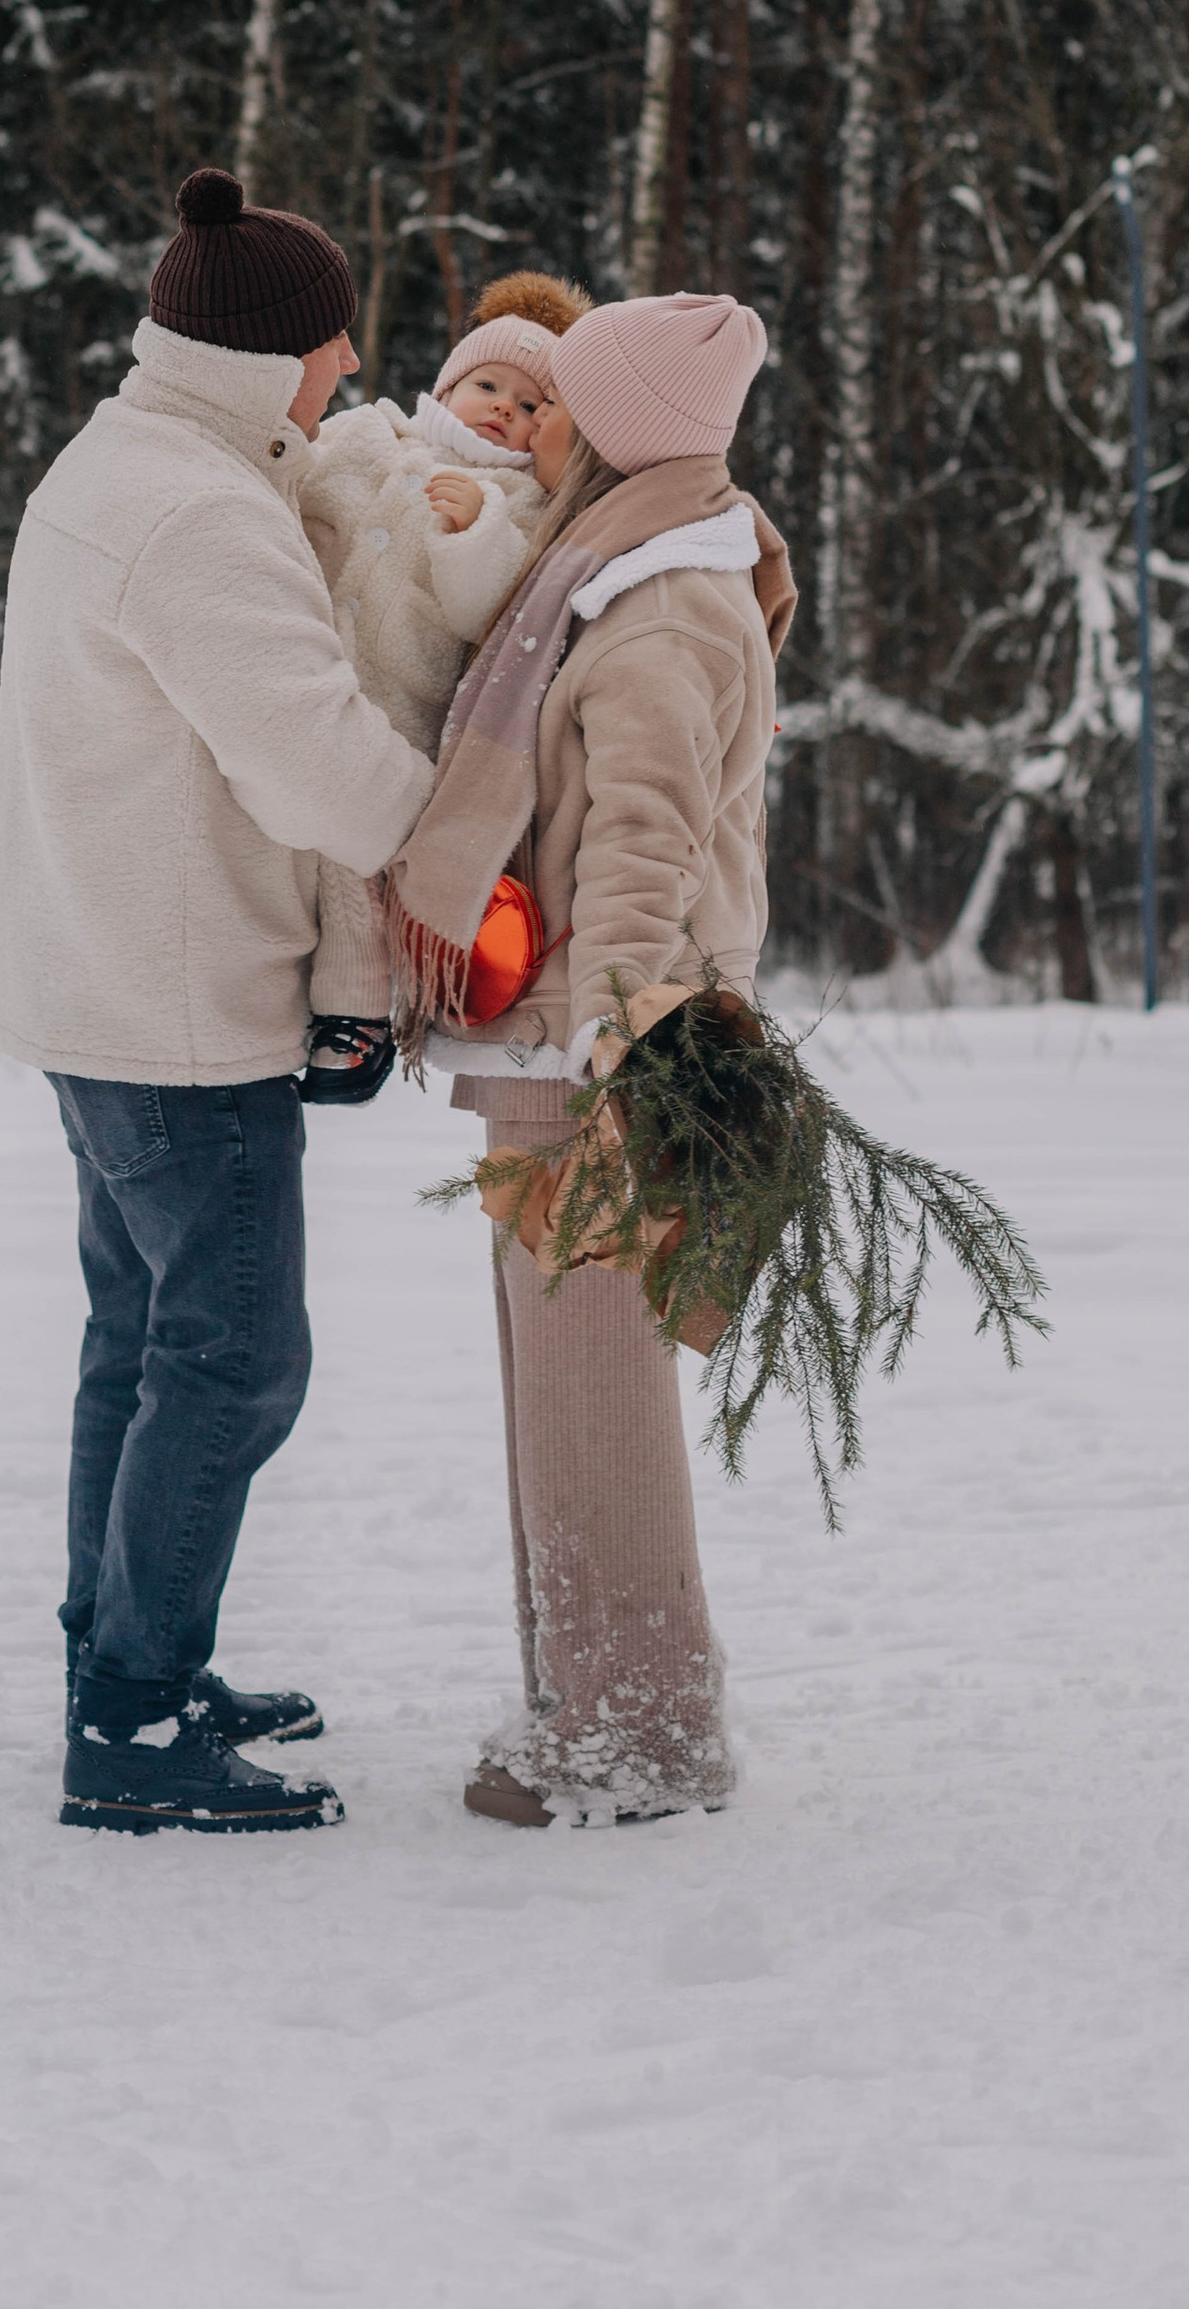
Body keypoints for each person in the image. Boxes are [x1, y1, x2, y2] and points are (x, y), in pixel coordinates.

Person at [0, 166, 436, 1835]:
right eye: (338, 348)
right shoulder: (197, 512)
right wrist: (476, 850)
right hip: (176, 1009)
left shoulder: (124, 464)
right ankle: (134, 1727)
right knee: (234, 1359)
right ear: (275, 356)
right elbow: (319, 767)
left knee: (142, 1347)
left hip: (98, 983)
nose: (352, 379)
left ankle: (130, 1669)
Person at [385, 289, 795, 1828]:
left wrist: (624, 1040)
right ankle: (588, 1696)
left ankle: (640, 1735)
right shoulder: (622, 566)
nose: (532, 418)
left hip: (598, 1055)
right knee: (553, 1390)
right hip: (564, 1039)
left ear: (619, 428)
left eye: (561, 400)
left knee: (592, 1399)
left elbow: (644, 836)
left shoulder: (661, 600)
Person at [295, 272, 591, 1081]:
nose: (505, 408)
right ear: (448, 383)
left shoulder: (521, 505)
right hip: (303, 677)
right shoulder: (369, 438)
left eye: (533, 405)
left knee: (357, 871)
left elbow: (482, 616)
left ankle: (354, 1016)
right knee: (276, 845)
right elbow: (293, 485)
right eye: (488, 385)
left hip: (395, 711)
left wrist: (475, 532)